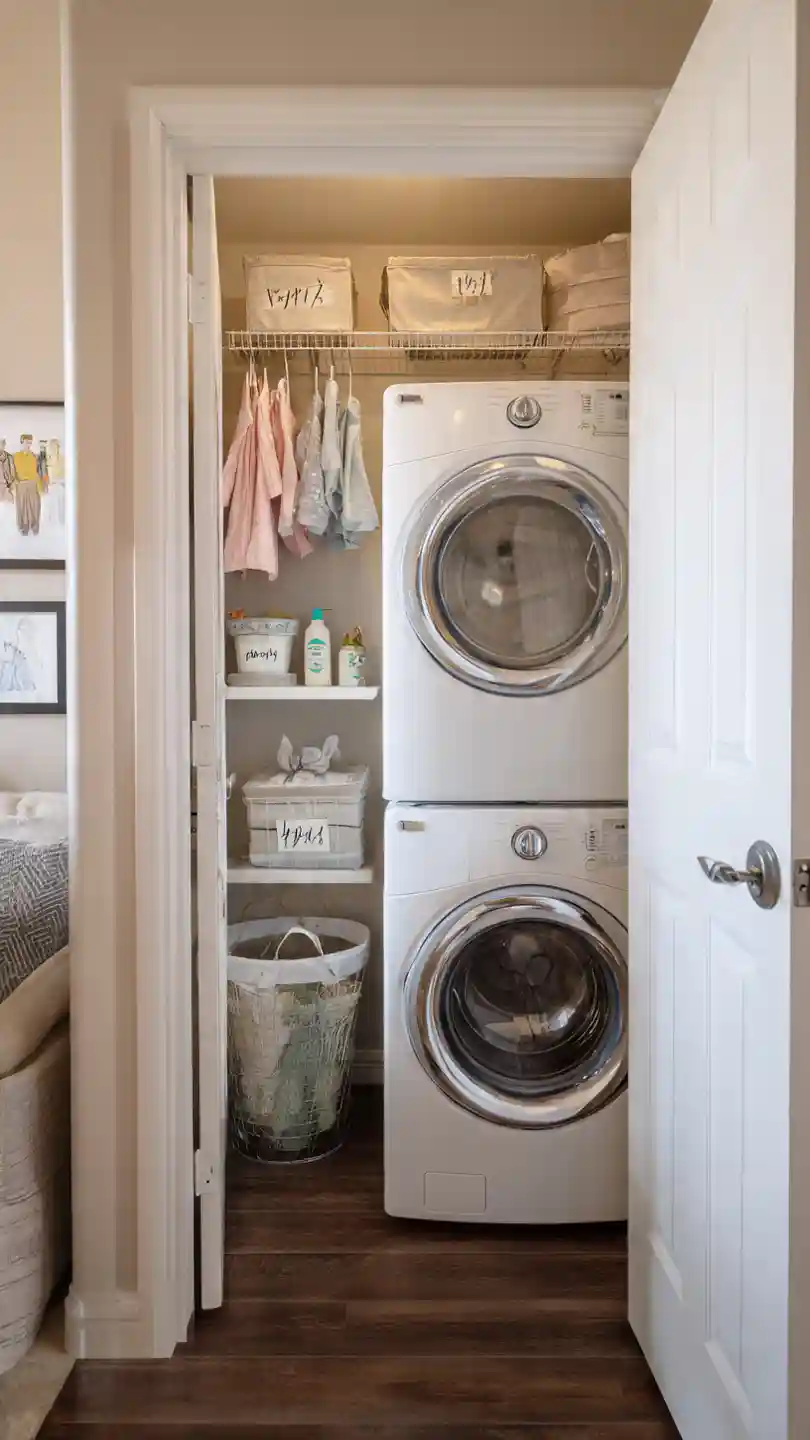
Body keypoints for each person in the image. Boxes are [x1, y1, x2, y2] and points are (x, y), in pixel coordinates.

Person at [11, 433, 41, 536]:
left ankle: (35, 528)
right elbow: (12, 471)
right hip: (21, 484)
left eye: (30, 443)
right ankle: (23, 528)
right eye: (26, 442)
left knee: (34, 506)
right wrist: (14, 483)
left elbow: (38, 472)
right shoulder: (15, 456)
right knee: (22, 506)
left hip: (33, 484)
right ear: (21, 442)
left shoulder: (34, 456)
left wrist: (39, 486)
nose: (28, 444)